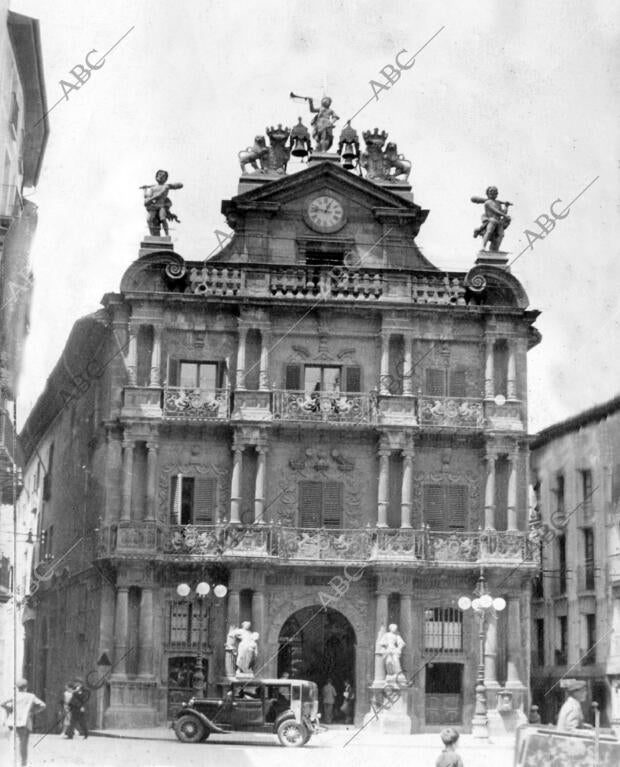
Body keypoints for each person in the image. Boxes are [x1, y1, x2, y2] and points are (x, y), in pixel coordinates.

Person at [1, 677, 46, 767]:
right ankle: (23, 764)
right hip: (24, 722)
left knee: (13, 743)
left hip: (13, 722)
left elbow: (2, 703)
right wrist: (32, 711)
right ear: (26, 687)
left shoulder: (14, 695)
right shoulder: (30, 696)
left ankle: (13, 763)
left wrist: (11, 709)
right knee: (23, 745)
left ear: (16, 687)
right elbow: (43, 705)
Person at [140, 169, 184, 236]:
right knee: (149, 219)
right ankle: (152, 235)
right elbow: (148, 196)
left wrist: (169, 185)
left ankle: (167, 235)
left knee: (163, 219)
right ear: (156, 177)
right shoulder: (153, 187)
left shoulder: (166, 186)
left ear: (166, 179)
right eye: (159, 175)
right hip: (154, 207)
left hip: (161, 206)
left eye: (163, 176)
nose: (161, 177)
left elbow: (180, 185)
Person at [472, 186, 511, 251]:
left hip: (499, 221)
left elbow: (503, 212)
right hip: (491, 220)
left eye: (495, 192)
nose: (493, 193)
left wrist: (506, 207)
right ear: (487, 194)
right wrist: (504, 215)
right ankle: (483, 247)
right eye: (491, 192)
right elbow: (495, 211)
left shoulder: (498, 203)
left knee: (501, 235)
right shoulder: (487, 202)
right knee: (489, 232)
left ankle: (496, 249)